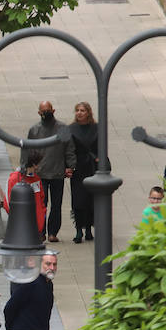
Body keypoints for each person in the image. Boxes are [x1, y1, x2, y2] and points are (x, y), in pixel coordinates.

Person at [22, 101, 75, 242]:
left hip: (57, 173)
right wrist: (26, 168)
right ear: (39, 113)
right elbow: (27, 150)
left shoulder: (63, 128)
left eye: (48, 110)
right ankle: (41, 231)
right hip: (40, 175)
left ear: (54, 110)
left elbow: (69, 149)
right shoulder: (34, 130)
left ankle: (53, 232)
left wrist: (71, 166)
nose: (46, 113)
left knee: (56, 205)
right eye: (43, 110)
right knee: (41, 205)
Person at [68, 102, 99, 243]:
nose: (79, 113)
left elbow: (101, 146)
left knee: (91, 199)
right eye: (77, 110)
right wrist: (68, 166)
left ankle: (88, 229)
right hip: (78, 167)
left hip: (93, 167)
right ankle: (78, 229)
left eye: (82, 110)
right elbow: (67, 149)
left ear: (88, 112)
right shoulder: (71, 129)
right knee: (78, 200)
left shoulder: (96, 128)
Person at [6, 151, 47, 237]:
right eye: (38, 164)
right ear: (34, 164)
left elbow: (41, 198)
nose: (39, 167)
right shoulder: (15, 179)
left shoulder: (36, 179)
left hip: (34, 224)